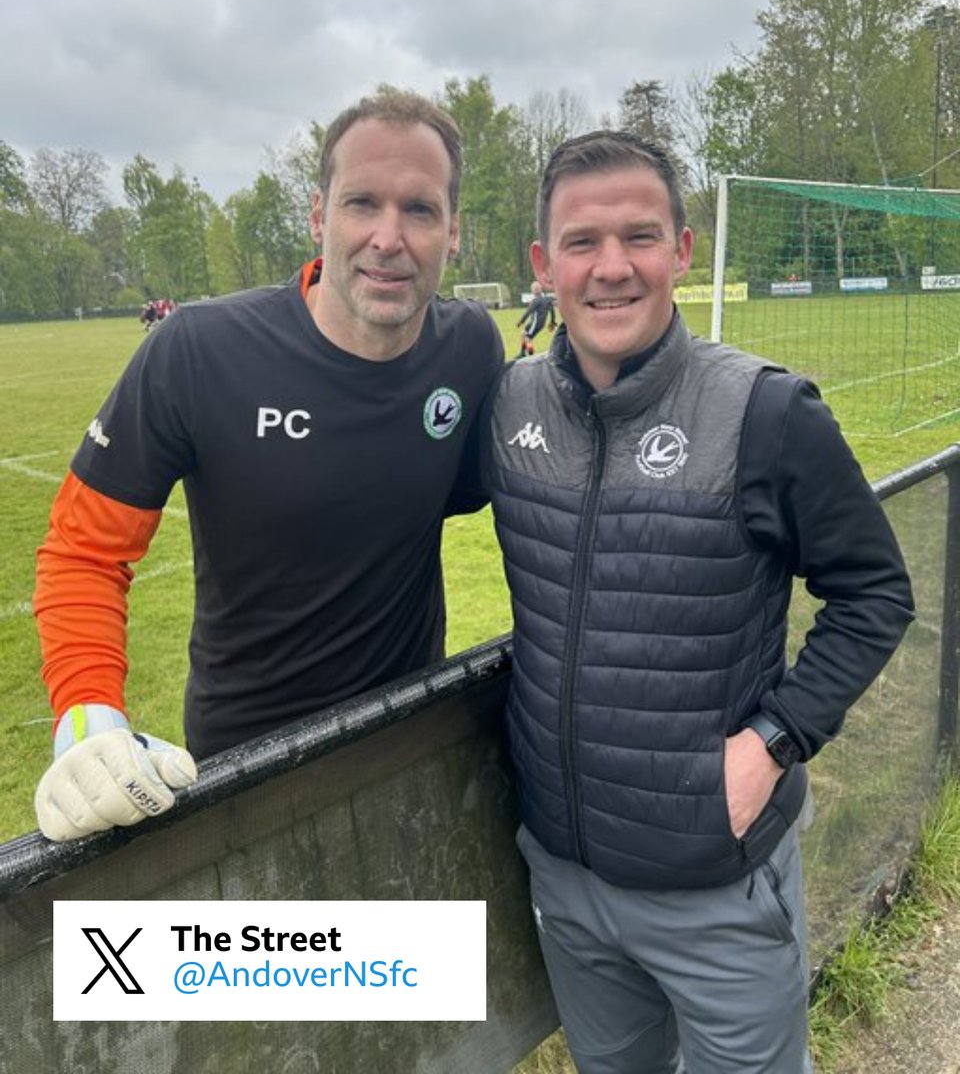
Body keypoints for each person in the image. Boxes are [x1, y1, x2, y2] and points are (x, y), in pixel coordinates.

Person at [483, 131, 914, 1072]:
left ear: (681, 250)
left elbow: (877, 591)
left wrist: (774, 741)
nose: (611, 268)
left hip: (717, 886)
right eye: (582, 241)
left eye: (639, 237)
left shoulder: (765, 412)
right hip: (565, 876)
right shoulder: (507, 404)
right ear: (543, 263)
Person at [33, 89, 504, 844]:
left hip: (410, 747)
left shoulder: (472, 350)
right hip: (246, 771)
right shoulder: (197, 351)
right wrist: (89, 722)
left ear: (454, 232)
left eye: (420, 209)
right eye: (362, 203)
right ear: (319, 216)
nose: (389, 237)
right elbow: (84, 552)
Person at [515, 280, 556, 358]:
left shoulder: (535, 301)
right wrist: (552, 322)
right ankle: (522, 353)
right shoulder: (546, 299)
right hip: (541, 324)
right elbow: (552, 311)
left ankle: (531, 356)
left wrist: (520, 322)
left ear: (533, 291)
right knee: (523, 333)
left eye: (533, 289)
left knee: (527, 338)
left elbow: (528, 312)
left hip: (535, 323)